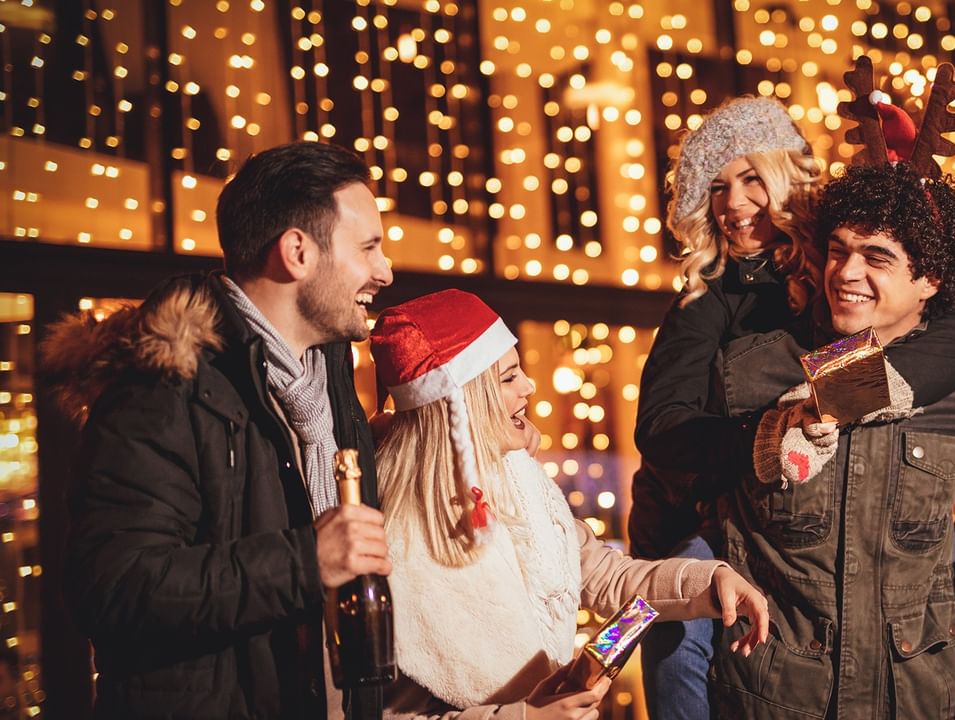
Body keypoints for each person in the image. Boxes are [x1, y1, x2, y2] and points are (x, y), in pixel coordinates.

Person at [631, 95, 955, 720]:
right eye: (716, 187)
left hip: (878, 574)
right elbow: (663, 429)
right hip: (701, 505)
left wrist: (837, 397)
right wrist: (767, 436)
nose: (733, 204)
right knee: (673, 615)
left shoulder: (854, 280)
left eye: (750, 177)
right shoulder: (716, 295)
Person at [45, 142, 394, 719]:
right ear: (297, 252)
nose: (384, 270)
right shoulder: (164, 386)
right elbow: (112, 588)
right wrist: (307, 561)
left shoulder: (330, 377)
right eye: (368, 248)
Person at [366, 290, 771, 720]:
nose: (529, 386)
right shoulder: (392, 543)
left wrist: (711, 582)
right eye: (507, 378)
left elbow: (606, 576)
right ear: (460, 403)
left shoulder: (521, 481)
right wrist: (525, 717)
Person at [709, 160, 955, 719]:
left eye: (876, 257)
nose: (847, 272)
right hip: (774, 697)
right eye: (838, 249)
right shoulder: (751, 372)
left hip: (915, 697)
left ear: (930, 280)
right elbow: (691, 523)